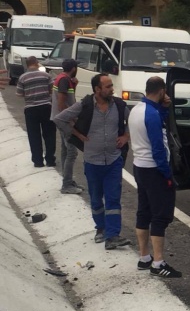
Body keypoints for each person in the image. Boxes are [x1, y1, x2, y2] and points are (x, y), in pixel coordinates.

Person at [54, 74, 130, 249]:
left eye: (111, 86)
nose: (112, 89)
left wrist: (126, 135)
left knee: (113, 199)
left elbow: (132, 121)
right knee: (96, 199)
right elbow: (59, 118)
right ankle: (101, 229)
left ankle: (113, 236)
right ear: (97, 89)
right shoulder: (85, 105)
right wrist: (77, 134)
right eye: (108, 86)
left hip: (113, 161)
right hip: (92, 161)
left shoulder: (119, 105)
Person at [128, 76, 181, 279]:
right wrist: (167, 174)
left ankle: (144, 257)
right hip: (154, 169)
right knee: (160, 215)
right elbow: (158, 147)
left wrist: (164, 108)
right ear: (161, 91)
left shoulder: (137, 110)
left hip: (139, 167)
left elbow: (157, 122)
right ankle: (158, 263)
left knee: (144, 212)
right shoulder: (151, 114)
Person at [16, 56, 56, 168]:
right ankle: (50, 160)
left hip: (30, 109)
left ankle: (38, 161)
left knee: (34, 136)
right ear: (37, 63)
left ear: (27, 65)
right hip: (46, 107)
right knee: (49, 134)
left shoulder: (22, 78)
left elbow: (19, 94)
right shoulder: (46, 75)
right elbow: (51, 90)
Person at [51, 58, 83, 195]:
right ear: (74, 68)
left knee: (65, 150)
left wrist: (74, 86)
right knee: (72, 152)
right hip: (64, 121)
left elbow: (66, 99)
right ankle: (67, 184)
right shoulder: (64, 80)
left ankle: (67, 179)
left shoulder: (62, 79)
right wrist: (71, 120)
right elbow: (62, 104)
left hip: (59, 119)